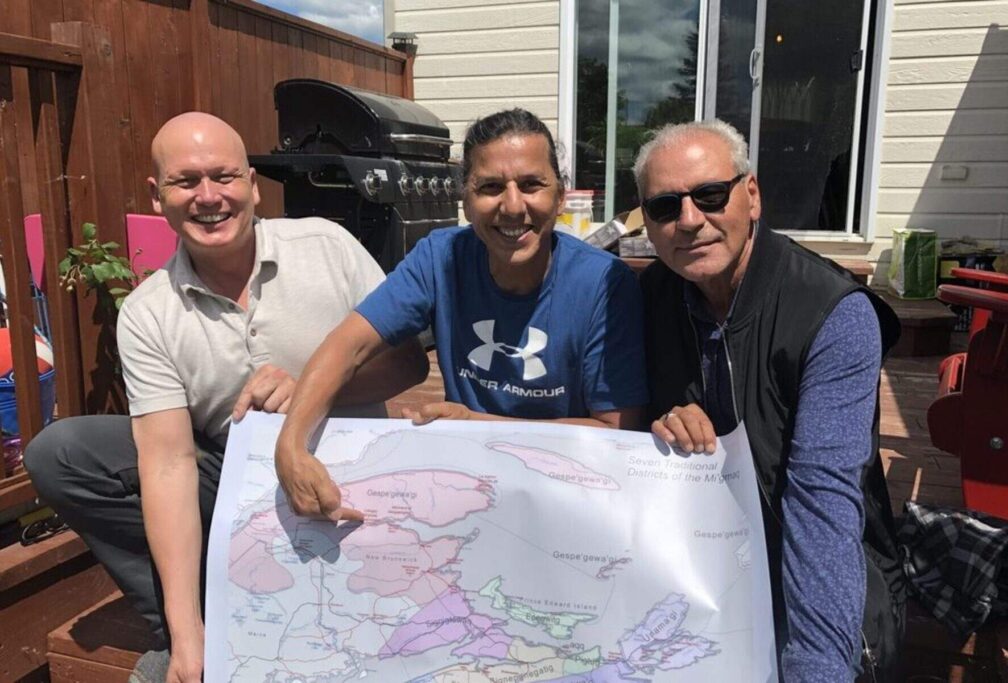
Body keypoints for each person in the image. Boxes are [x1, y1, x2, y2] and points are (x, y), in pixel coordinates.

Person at [23, 112, 428, 683]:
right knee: (61, 452)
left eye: (225, 177)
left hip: (355, 469)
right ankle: (196, 626)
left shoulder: (328, 246)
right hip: (240, 481)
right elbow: (168, 463)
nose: (209, 197)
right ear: (157, 195)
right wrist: (188, 638)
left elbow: (408, 361)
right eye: (186, 182)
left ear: (253, 185)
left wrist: (309, 388)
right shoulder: (148, 312)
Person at [274, 108, 648, 520]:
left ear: (559, 196)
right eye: (490, 187)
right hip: (469, 488)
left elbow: (616, 435)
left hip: (569, 491)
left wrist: (477, 423)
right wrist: (291, 442)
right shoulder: (440, 257)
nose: (512, 206)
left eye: (531, 185)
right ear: (465, 201)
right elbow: (349, 344)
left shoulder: (604, 283)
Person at [634, 119, 904, 681]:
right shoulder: (645, 298)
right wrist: (656, 432)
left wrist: (816, 665)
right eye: (664, 206)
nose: (689, 220)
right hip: (698, 563)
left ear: (751, 195)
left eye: (710, 195)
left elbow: (822, 501)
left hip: (806, 570)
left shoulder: (834, 312)